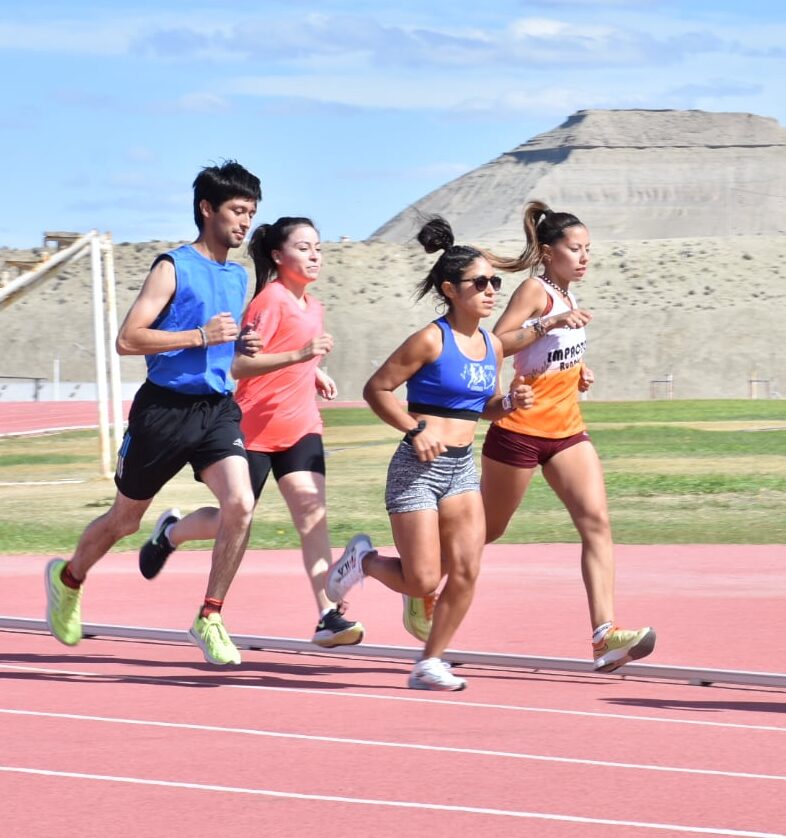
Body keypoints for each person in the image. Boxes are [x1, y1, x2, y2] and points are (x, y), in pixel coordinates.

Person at [399, 200, 655, 675]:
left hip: (567, 431)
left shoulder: (569, 295)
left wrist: (576, 370)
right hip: (519, 432)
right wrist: (550, 323)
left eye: (588, 249)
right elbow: (497, 343)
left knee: (596, 522)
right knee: (487, 532)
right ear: (546, 251)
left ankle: (605, 635)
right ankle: (423, 589)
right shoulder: (536, 291)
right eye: (575, 249)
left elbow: (547, 357)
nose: (584, 257)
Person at [44, 160, 264, 666]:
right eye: (236, 210)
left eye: (250, 213)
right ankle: (68, 577)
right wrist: (200, 336)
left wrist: (239, 346)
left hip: (215, 410)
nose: (244, 222)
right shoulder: (173, 266)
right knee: (124, 520)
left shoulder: (237, 275)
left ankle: (209, 615)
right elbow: (129, 339)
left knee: (241, 504)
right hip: (163, 412)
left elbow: (224, 353)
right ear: (206, 209)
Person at [324, 216, 532, 690]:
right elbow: (376, 389)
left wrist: (509, 404)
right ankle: (364, 562)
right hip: (417, 470)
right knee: (422, 581)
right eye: (479, 283)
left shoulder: (491, 345)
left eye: (495, 282)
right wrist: (414, 427)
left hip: (461, 470)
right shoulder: (430, 339)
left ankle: (429, 662)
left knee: (466, 569)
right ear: (450, 289)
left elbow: (483, 409)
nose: (491, 290)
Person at [137, 217, 364, 649]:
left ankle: (327, 615)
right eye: (304, 247)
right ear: (279, 256)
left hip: (300, 427)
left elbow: (291, 354)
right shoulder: (268, 301)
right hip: (254, 429)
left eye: (318, 247)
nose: (315, 255)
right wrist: (301, 355)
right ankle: (170, 532)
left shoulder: (313, 306)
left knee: (312, 515)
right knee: (231, 520)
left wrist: (315, 371)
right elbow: (236, 365)